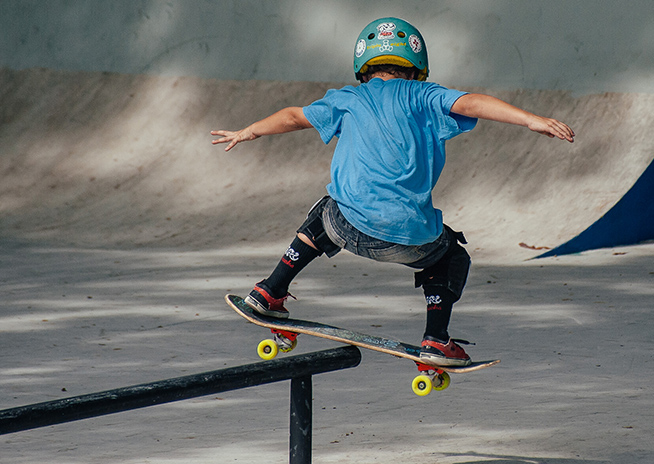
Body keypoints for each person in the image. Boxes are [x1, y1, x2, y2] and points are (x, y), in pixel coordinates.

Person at [211, 17, 574, 367]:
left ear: (363, 69)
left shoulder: (348, 99)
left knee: (327, 208)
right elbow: (472, 102)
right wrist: (530, 119)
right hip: (411, 240)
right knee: (452, 257)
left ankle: (269, 291)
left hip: (346, 226)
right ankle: (436, 338)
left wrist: (250, 131)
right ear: (417, 67)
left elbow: (293, 116)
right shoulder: (425, 95)